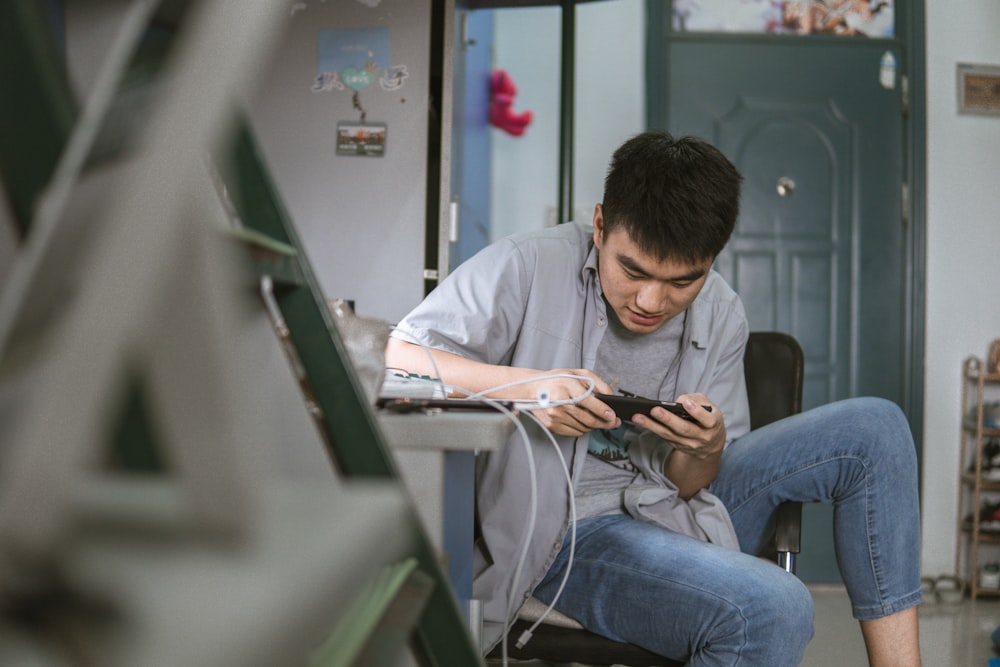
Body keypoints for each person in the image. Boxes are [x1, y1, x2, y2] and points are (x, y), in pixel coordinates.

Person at [385, 131, 922, 666]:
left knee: (875, 428)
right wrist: (527, 389)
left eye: (682, 281)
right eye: (633, 271)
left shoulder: (722, 311)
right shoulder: (526, 266)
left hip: (681, 506)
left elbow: (690, 484)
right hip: (571, 532)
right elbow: (398, 357)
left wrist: (707, 447)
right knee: (774, 606)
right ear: (599, 226)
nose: (651, 301)